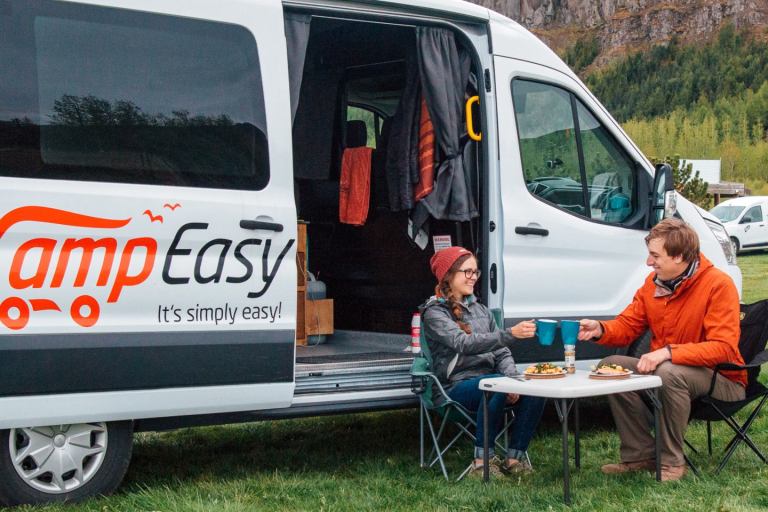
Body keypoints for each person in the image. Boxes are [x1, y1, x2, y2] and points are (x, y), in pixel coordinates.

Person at [578, 218, 746, 481]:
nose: (649, 262)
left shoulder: (718, 285)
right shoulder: (652, 284)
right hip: (670, 370)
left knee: (669, 372)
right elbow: (628, 324)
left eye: (655, 256)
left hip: (722, 379)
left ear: (679, 257)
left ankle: (672, 463)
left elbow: (723, 348)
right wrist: (600, 329)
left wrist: (668, 352)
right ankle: (640, 455)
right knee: (611, 365)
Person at [421, 246, 546, 476]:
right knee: (494, 386)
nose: (473, 277)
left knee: (536, 388)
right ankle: (481, 463)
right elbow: (463, 343)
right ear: (448, 275)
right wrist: (510, 334)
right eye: (467, 272)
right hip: (455, 385)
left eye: (475, 272)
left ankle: (514, 459)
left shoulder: (482, 311)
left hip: (492, 381)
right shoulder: (434, 313)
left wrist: (512, 379)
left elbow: (502, 353)